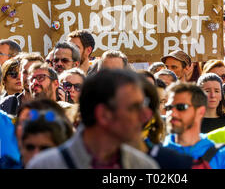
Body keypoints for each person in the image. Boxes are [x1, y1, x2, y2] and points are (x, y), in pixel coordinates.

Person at [27, 69, 159, 169]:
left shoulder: (144, 166)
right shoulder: (46, 165)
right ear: (103, 115)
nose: (146, 115)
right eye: (134, 108)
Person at [163, 82, 225, 169]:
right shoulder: (155, 153)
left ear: (200, 112)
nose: (172, 113)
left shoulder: (223, 155)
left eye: (181, 107)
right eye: (169, 108)